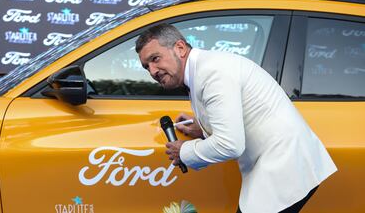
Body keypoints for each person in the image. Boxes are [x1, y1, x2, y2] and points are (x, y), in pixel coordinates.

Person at [136, 23, 337, 213]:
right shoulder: (204, 69)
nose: (152, 71)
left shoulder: (211, 73)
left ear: (180, 48)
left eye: (155, 59)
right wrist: (204, 129)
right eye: (146, 67)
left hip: (284, 169)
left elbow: (229, 144)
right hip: (283, 166)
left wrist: (184, 152)